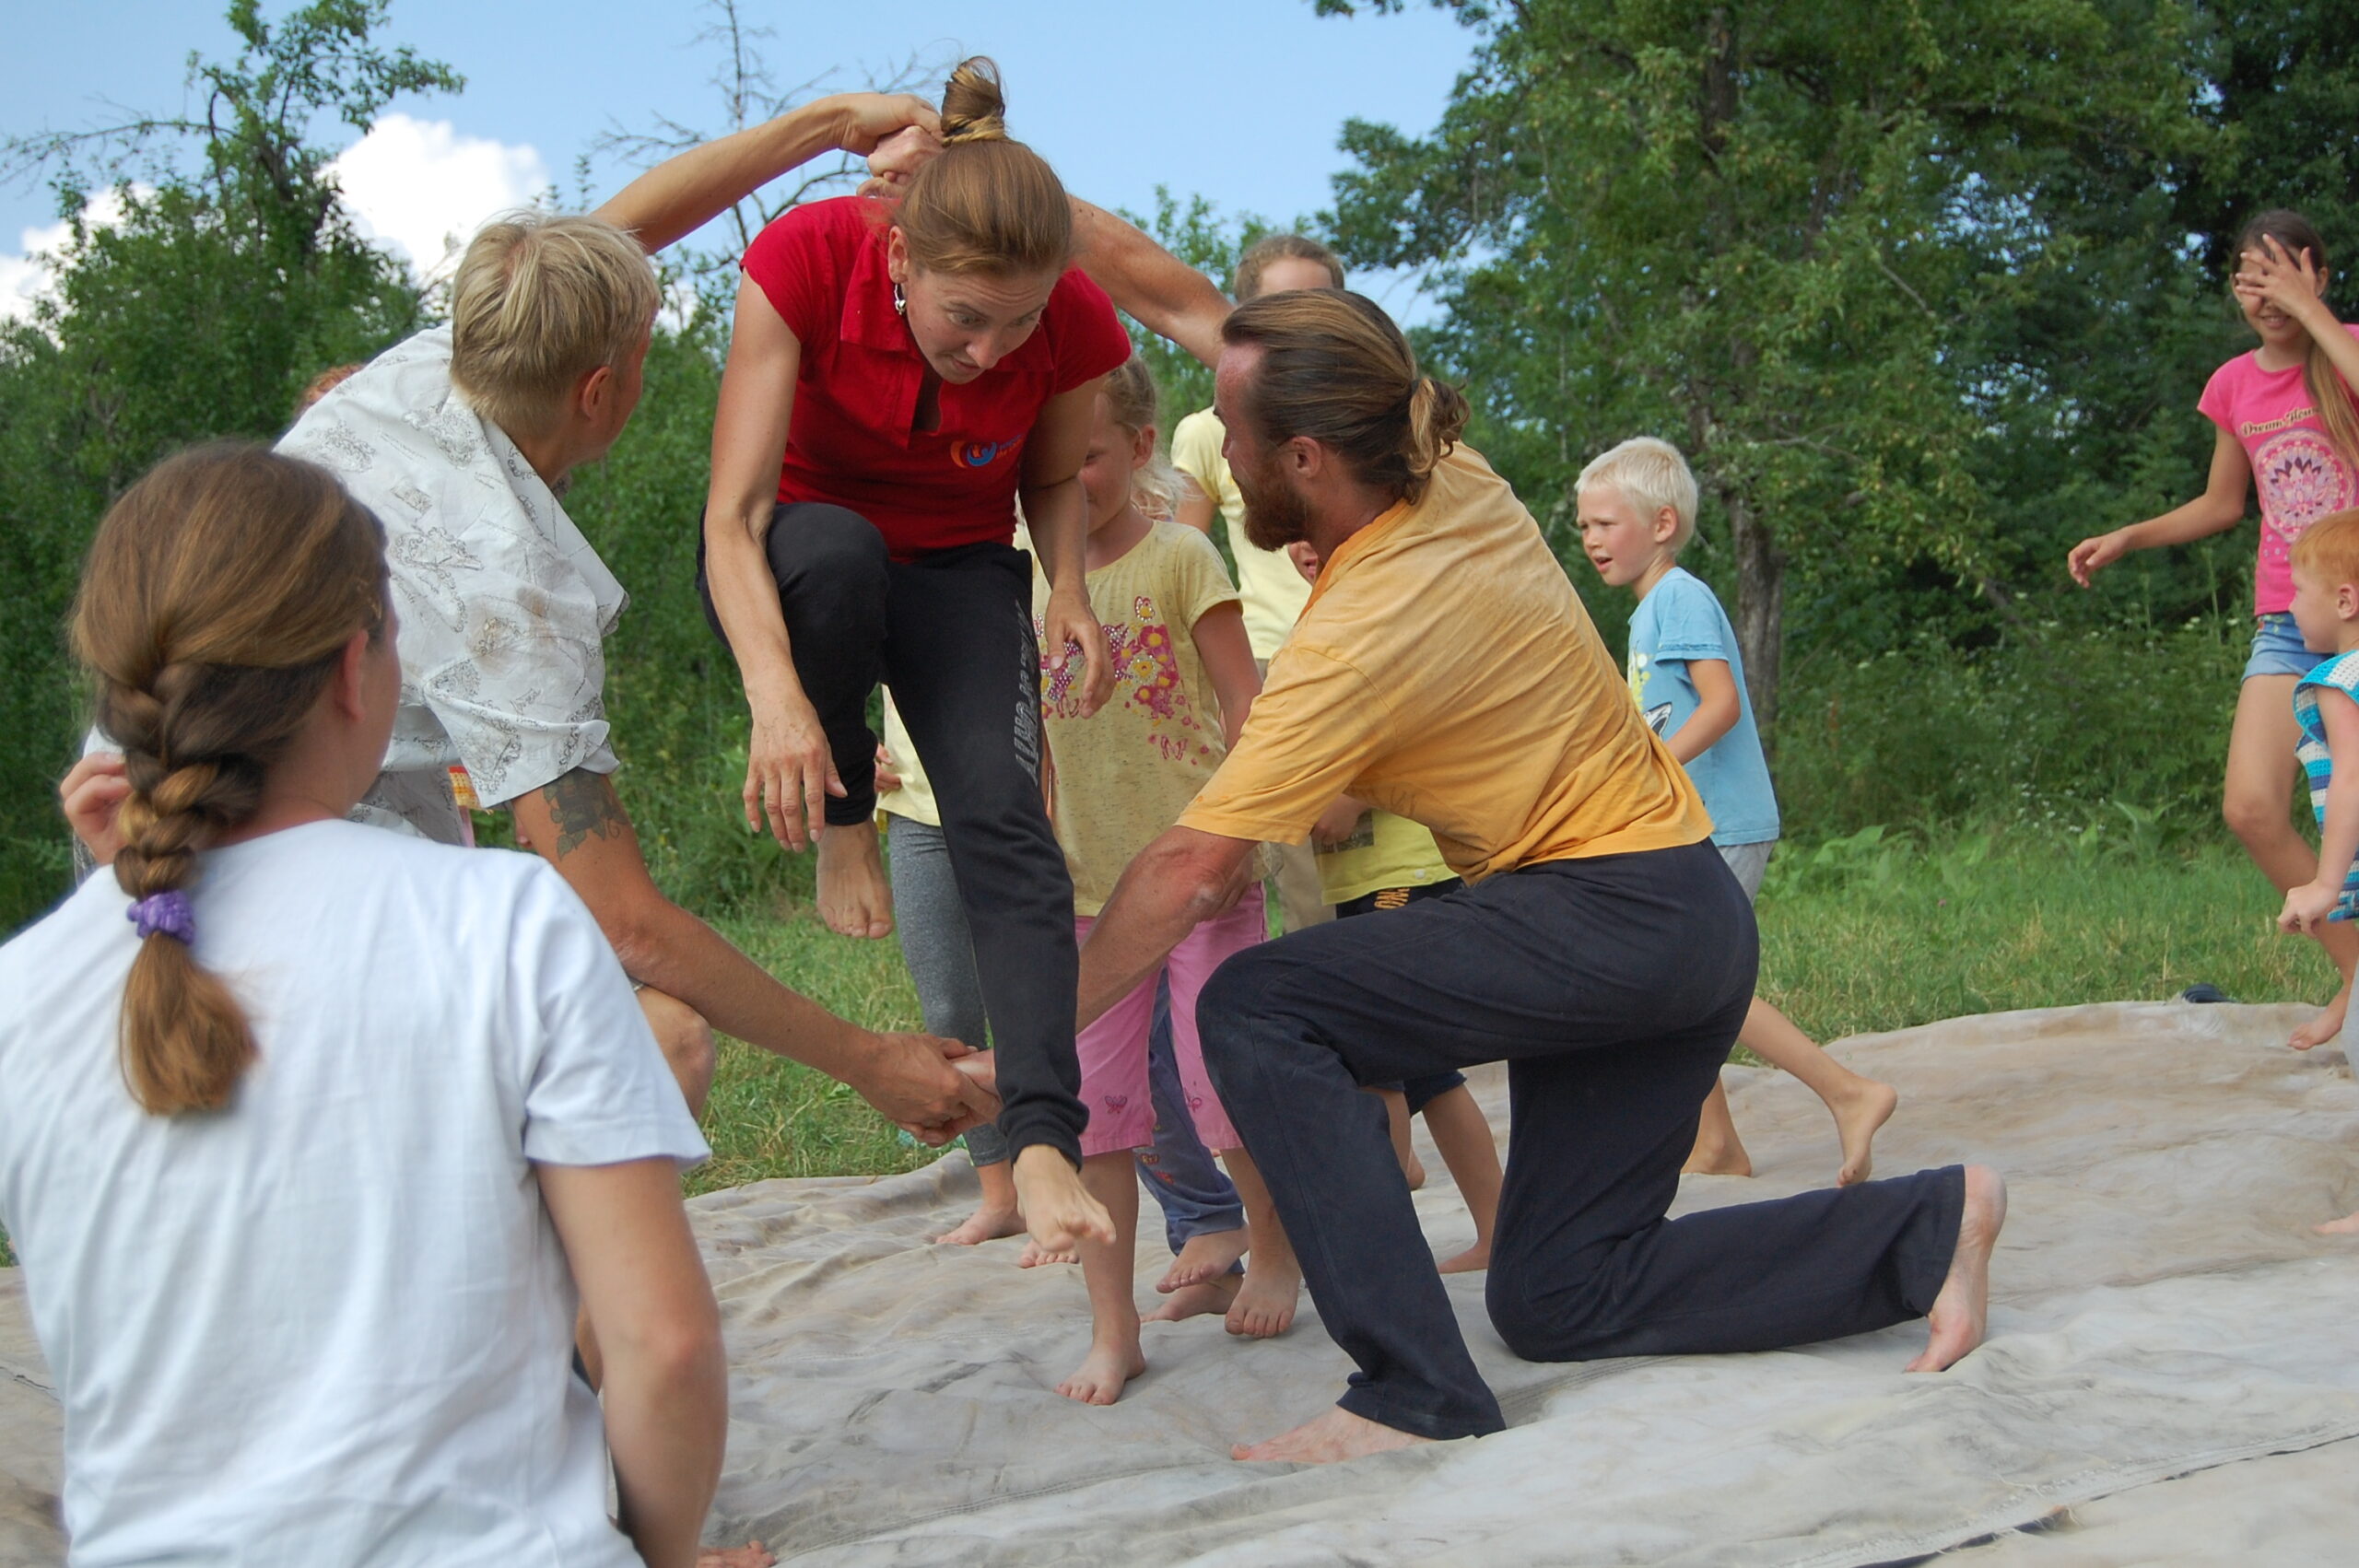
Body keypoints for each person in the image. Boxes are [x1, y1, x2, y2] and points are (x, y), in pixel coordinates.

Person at [1043, 287, 2006, 1465]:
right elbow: (1194, 304)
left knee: (1257, 1003)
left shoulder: (1358, 630)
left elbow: (1191, 873)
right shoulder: (1454, 475)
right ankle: (1927, 1226)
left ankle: (1410, 1391)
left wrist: (1031, 1059)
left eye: (1234, 444)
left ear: (1304, 457)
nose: (1222, 462)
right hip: (1682, 923)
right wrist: (999, 186)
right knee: (1558, 1295)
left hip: (1611, 917)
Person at [66, 90, 992, 1152]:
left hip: (142, 844)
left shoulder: (429, 363)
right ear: (600, 391)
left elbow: (615, 237)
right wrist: (867, 1060)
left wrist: (830, 126)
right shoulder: (513, 598)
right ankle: (549, 1311)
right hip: (289, 898)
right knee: (662, 1038)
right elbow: (626, 919)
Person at [12, 446, 724, 1567]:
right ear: (358, 668)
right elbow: (664, 1347)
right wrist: (666, 1552)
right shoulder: (505, 920)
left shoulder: (23, 991)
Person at [699, 59, 1132, 1245]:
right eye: (964, 317)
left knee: (1004, 816)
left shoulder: (1074, 326)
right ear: (898, 260)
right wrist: (778, 700)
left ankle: (1043, 1139)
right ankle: (849, 822)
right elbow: (731, 519)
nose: (990, 351)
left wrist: (1070, 596)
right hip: (792, 556)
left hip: (956, 570)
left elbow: (1049, 477)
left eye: (1020, 321)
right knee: (836, 560)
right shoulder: (804, 259)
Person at [1018, 357, 1297, 1403]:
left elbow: (1246, 709)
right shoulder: (1025, 572)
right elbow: (1028, 738)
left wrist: (1237, 841)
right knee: (1094, 1111)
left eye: (1084, 457)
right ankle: (1113, 1326)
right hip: (1087, 890)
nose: (1064, 480)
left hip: (1199, 877)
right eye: (1045, 463)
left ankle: (1271, 1251)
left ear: (1140, 451)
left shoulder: (1182, 558)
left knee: (1218, 1082)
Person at [2071, 210, 2359, 1050]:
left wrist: (2312, 316)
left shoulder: (2342, 350)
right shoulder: (2235, 382)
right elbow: (2223, 505)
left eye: (2281, 273)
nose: (2263, 292)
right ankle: (2356, 975)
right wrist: (2130, 535)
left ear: (2317, 274)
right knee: (2252, 806)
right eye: (2248, 276)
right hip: (2288, 616)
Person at [1577, 437, 1899, 1187]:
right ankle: (1715, 1145)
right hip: (1689, 827)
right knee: (1676, 987)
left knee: (1701, 980)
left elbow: (1719, 706)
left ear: (1661, 524)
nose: (1591, 539)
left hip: (1720, 823)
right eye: (1584, 527)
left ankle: (1850, 1093)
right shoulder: (1650, 609)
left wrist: (1645, 770)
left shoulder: (1679, 596)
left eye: (1605, 523)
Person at [887, 696, 1255, 1289]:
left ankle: (1222, 1224)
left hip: (1175, 844)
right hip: (1054, 862)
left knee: (1190, 1069)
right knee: (1103, 1087)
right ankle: (1093, 1251)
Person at [1279, 538, 1505, 1271]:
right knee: (1426, 1072)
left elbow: (1431, 728)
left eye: (1324, 529)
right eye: (1293, 531)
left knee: (1382, 1065)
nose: (1307, 546)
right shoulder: (1316, 620)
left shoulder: (1387, 613)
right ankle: (1494, 1227)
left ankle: (1386, 1257)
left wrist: (1355, 793)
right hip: (1353, 882)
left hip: (1404, 875)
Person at [1168, 235, 1352, 937]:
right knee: (1306, 885)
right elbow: (1181, 559)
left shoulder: (1372, 425)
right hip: (1273, 665)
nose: (1302, 321)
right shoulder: (1207, 431)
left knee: (1401, 873)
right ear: (1243, 318)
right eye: (1281, 305)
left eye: (1321, 303)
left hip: (1379, 651)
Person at [2274, 507, 2359, 1236]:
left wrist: (2327, 884)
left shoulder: (2340, 680)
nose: (2288, 602)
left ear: (2345, 600)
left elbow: (2353, 783)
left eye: (2298, 589)